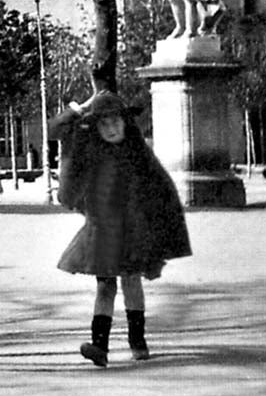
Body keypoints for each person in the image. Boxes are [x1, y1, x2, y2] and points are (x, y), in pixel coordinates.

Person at [48, 90, 191, 367]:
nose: (111, 128)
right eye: (104, 123)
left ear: (126, 123)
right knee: (105, 287)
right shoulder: (90, 152)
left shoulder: (138, 155)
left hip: (132, 232)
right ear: (97, 127)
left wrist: (155, 224)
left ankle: (137, 339)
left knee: (131, 282)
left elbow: (160, 190)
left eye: (116, 122)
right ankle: (99, 345)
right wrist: (83, 107)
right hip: (101, 234)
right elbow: (55, 128)